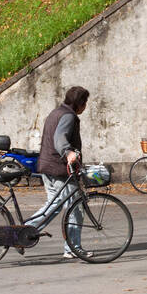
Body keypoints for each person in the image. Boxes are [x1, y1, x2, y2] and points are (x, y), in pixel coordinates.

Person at [31, 85, 91, 259]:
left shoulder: (55, 112)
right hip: (59, 169)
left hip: (48, 168)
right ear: (79, 103)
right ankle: (73, 247)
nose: (85, 106)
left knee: (52, 207)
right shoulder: (68, 116)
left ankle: (24, 231)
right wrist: (68, 152)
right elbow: (59, 138)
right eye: (85, 102)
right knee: (75, 209)